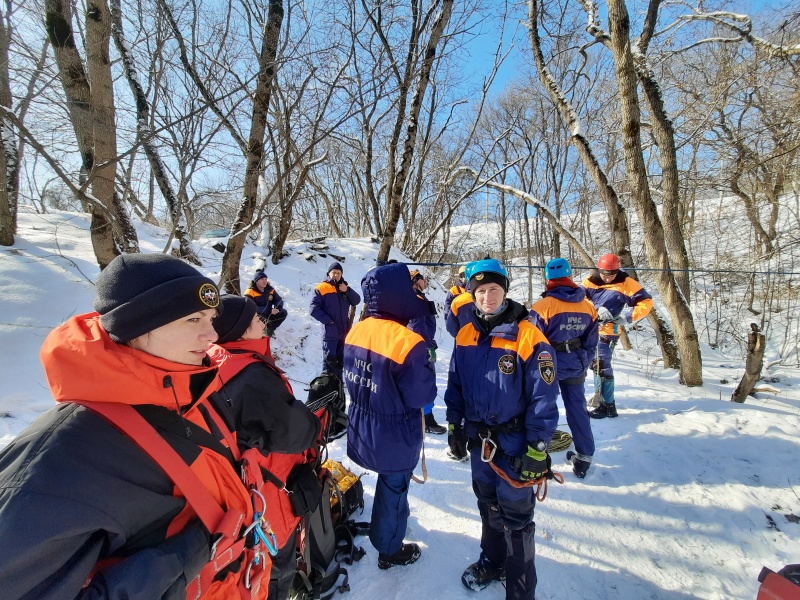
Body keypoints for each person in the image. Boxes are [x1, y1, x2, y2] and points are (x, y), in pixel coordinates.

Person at [0, 253, 266, 599]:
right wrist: (179, 561)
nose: (211, 335)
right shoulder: (61, 456)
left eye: (211, 318)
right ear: (137, 328)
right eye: (192, 319)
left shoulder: (195, 389)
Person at [444, 258, 559, 599]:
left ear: (504, 290)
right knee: (488, 502)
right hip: (480, 441)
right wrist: (454, 425)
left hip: (515, 443)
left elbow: (544, 397)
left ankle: (520, 588)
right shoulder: (465, 334)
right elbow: (455, 385)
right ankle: (492, 561)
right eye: (480, 291)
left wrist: (538, 448)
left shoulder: (528, 336)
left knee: (516, 514)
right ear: (471, 295)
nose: (487, 297)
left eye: (494, 289)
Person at [208, 294, 321, 600]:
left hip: (236, 488)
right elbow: (294, 431)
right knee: (277, 565)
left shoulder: (215, 360)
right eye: (256, 319)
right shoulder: (251, 376)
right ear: (241, 330)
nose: (263, 322)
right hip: (268, 490)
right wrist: (314, 422)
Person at [343, 262, 436, 570]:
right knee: (394, 487)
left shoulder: (357, 330)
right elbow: (421, 397)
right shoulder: (408, 342)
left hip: (362, 425)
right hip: (393, 433)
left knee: (389, 483)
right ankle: (389, 548)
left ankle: (390, 527)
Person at [529, 258, 599, 478]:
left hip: (547, 366)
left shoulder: (542, 307)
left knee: (542, 408)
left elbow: (531, 341)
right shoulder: (587, 306)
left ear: (548, 279)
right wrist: (582, 361)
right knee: (577, 408)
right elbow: (592, 341)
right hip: (575, 363)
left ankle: (538, 452)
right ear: (570, 275)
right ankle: (585, 456)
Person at [582, 253, 653, 418]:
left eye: (612, 275)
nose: (607, 279)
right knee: (596, 366)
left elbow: (646, 302)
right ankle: (599, 398)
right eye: (604, 275)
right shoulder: (590, 280)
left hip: (609, 330)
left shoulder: (626, 283)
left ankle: (609, 406)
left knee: (603, 365)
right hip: (590, 329)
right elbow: (580, 297)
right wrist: (594, 307)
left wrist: (628, 317)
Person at [407, 269, 446, 435]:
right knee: (426, 383)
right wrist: (428, 345)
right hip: (421, 348)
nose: (425, 282)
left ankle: (419, 416)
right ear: (416, 281)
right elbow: (418, 326)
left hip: (417, 346)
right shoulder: (415, 299)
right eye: (422, 279)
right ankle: (426, 419)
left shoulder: (414, 298)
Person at [309, 261, 361, 380]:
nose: (336, 275)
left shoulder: (344, 287)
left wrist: (347, 290)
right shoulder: (321, 288)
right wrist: (329, 321)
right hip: (330, 333)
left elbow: (357, 300)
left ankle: (338, 388)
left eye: (338, 273)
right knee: (329, 363)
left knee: (340, 362)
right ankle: (327, 389)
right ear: (329, 273)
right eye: (334, 272)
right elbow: (313, 309)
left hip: (344, 332)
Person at [244, 271, 288, 337]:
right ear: (256, 281)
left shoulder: (270, 290)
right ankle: (261, 330)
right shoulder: (250, 291)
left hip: (269, 313)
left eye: (265, 279)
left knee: (283, 312)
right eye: (262, 279)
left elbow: (279, 300)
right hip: (257, 316)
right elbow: (250, 307)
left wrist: (277, 308)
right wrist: (268, 310)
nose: (264, 281)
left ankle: (270, 329)